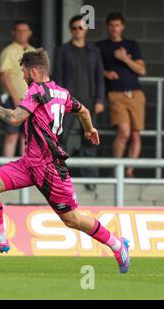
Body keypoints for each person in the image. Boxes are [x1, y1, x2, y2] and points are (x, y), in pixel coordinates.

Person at [0, 49, 130, 273]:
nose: (24, 77)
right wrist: (89, 129)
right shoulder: (62, 93)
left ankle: (117, 244)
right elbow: (83, 111)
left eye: (24, 72)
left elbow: (15, 118)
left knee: (73, 219)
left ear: (34, 71)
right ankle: (0, 238)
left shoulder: (36, 91)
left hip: (49, 168)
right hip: (29, 163)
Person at [53, 14, 105, 191]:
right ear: (70, 30)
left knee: (90, 139)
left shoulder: (94, 51)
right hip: (66, 102)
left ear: (86, 29)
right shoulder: (62, 50)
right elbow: (57, 77)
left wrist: (99, 99)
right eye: (74, 28)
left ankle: (90, 179)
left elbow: (99, 77)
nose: (77, 31)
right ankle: (58, 178)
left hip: (88, 102)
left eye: (80, 27)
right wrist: (57, 100)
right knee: (60, 139)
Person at [96, 13, 146, 178]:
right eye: (111, 25)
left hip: (136, 93)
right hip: (116, 94)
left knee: (135, 134)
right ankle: (116, 171)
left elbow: (142, 70)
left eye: (117, 25)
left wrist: (125, 58)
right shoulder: (101, 46)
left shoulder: (131, 45)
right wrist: (106, 73)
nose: (114, 28)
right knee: (124, 132)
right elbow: (95, 70)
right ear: (107, 27)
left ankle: (129, 171)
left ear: (122, 27)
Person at [0, 21, 36, 157]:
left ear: (30, 33)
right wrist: (15, 97)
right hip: (12, 99)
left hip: (31, 100)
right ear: (13, 33)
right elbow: (4, 76)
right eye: (19, 31)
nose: (22, 34)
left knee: (26, 136)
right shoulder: (8, 51)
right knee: (11, 135)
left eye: (25, 31)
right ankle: (6, 172)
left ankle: (24, 172)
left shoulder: (34, 51)